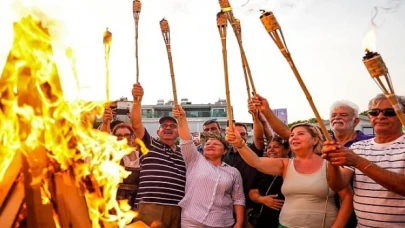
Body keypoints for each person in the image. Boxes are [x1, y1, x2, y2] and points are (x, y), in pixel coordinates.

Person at [226, 121, 353, 228]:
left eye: (300, 134)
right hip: (286, 225)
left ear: (315, 139)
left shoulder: (331, 162)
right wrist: (240, 144)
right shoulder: (286, 164)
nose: (294, 137)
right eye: (292, 135)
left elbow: (347, 197)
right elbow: (256, 161)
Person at [322, 93, 405, 227]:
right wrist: (332, 161)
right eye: (374, 112)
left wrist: (358, 161)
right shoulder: (358, 147)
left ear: (402, 116)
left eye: (389, 112)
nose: (380, 116)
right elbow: (338, 185)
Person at [173, 105, 245, 228]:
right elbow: (185, 139)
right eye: (208, 143)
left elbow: (238, 199)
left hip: (222, 222)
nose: (211, 145)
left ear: (225, 151)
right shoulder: (194, 160)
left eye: (216, 144)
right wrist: (182, 119)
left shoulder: (233, 172)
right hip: (192, 220)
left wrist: (239, 222)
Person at [131, 83, 186, 228]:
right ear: (158, 132)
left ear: (179, 132)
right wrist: (137, 101)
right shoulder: (149, 144)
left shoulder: (185, 152)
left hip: (178, 208)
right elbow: (136, 125)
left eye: (173, 126)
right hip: (150, 206)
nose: (168, 128)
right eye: (164, 126)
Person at [248, 136, 289, 228]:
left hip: (285, 222)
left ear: (287, 150)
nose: (271, 150)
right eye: (269, 147)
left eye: (276, 147)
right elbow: (252, 192)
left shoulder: (294, 168)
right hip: (261, 221)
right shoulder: (262, 169)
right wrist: (262, 199)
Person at [113, 123, 140, 206]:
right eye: (119, 135)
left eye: (127, 135)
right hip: (116, 203)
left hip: (138, 202)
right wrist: (106, 122)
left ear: (133, 137)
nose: (123, 138)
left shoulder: (142, 156)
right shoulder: (112, 157)